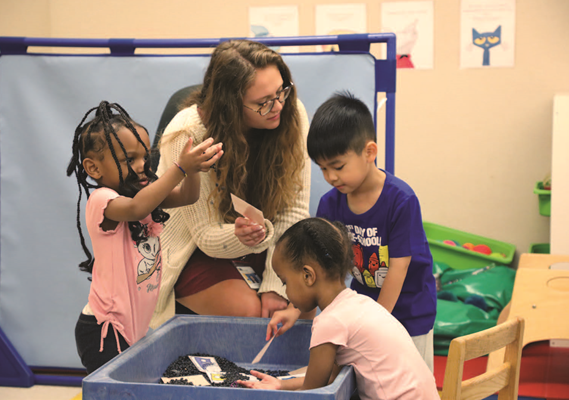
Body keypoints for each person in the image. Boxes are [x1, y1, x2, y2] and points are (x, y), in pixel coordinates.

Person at [269, 92, 437, 372]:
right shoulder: (330, 204)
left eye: (338, 166)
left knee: (409, 381)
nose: (331, 177)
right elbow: (319, 272)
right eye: (323, 168)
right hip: (363, 313)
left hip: (409, 315)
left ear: (369, 152)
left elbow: (397, 270)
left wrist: (375, 324)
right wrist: (294, 309)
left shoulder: (401, 201)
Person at [150, 39, 313, 328]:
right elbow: (205, 236)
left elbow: (294, 209)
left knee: (308, 298)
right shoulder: (187, 134)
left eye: (281, 92)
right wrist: (241, 237)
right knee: (251, 313)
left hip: (260, 241)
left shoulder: (292, 113)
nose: (277, 106)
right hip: (195, 250)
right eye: (263, 103)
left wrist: (275, 284)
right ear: (230, 106)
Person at [66, 101, 223, 373]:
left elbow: (188, 196)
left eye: (144, 157)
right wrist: (180, 169)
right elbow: (139, 208)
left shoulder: (143, 196)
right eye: (129, 159)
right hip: (105, 329)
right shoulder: (103, 200)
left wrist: (194, 170)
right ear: (93, 168)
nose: (141, 166)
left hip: (134, 327)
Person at [237, 218, 440, 400]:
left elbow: (312, 392)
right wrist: (280, 384)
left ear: (308, 275)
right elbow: (331, 375)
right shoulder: (360, 304)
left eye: (284, 282)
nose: (286, 292)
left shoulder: (329, 322)